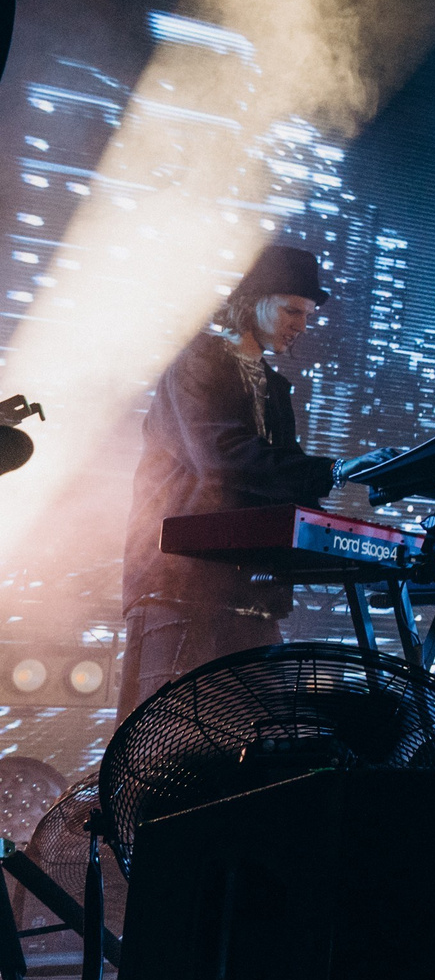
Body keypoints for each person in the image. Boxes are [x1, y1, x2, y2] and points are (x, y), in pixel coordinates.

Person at [120, 243, 372, 711]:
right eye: (292, 310)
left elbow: (283, 484)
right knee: (170, 736)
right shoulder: (196, 363)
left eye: (307, 314)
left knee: (254, 738)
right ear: (253, 301)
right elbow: (221, 456)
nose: (302, 325)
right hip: (181, 584)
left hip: (250, 591)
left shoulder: (275, 387)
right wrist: (333, 470)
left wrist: (360, 545)